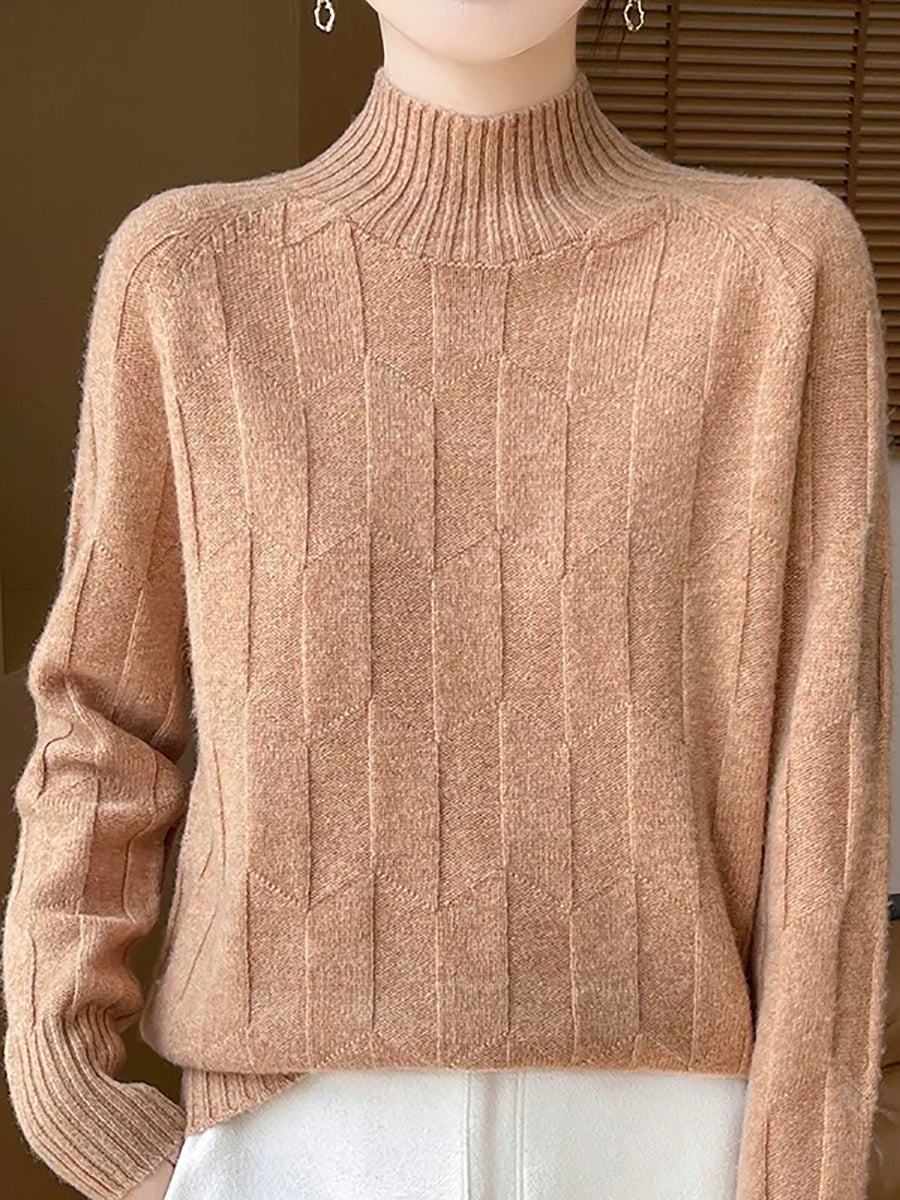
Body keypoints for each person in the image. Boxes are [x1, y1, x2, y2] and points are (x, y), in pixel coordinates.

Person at [3, 2, 891, 1199]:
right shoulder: (191, 274)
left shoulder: (777, 269)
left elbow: (828, 770)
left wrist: (803, 1174)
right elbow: (102, 715)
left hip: (683, 1147)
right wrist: (70, 1083)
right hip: (291, 1144)